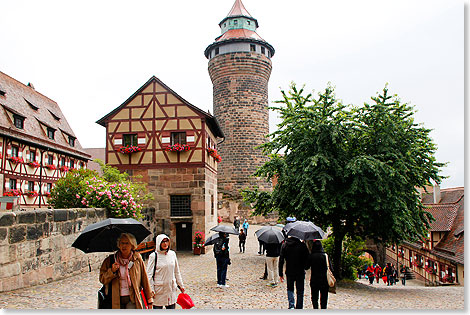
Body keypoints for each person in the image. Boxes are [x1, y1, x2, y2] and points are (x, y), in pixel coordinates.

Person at [99, 233, 153, 309]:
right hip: (115, 299)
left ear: (132, 245)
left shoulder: (137, 259)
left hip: (133, 298)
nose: (124, 246)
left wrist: (149, 299)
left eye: (127, 243)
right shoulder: (110, 260)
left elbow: (144, 279)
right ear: (118, 244)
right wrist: (112, 271)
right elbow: (102, 279)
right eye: (122, 243)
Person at [146, 234, 185, 309]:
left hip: (171, 288)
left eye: (166, 241)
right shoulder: (154, 256)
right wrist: (151, 290)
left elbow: (176, 271)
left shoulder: (172, 254)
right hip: (159, 290)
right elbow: (149, 275)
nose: (165, 244)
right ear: (158, 243)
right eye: (163, 242)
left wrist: (181, 285)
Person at [279, 236, 309, 309]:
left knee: (290, 289)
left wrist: (280, 273)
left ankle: (291, 305)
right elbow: (307, 259)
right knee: (300, 291)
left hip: (289, 271)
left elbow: (281, 260)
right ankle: (299, 307)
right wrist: (305, 267)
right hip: (300, 272)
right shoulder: (302, 246)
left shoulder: (285, 245)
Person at [305, 240, 329, 309]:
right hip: (324, 280)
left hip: (314, 279)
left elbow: (306, 267)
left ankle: (315, 309)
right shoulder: (325, 256)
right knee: (324, 297)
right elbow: (330, 268)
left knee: (314, 297)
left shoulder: (312, 256)